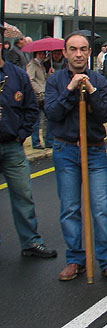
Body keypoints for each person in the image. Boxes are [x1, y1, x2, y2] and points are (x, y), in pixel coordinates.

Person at [45, 32, 107, 283]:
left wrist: (90, 90)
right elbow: (53, 113)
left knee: (101, 209)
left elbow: (105, 114)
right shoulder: (55, 80)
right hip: (65, 150)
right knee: (70, 209)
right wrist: (70, 90)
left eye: (83, 49)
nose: (78, 54)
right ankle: (75, 259)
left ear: (89, 52)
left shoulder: (99, 80)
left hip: (95, 150)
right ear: (65, 52)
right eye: (73, 49)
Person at [0, 30, 57, 259]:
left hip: (13, 146)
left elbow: (31, 108)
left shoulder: (15, 74)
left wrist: (21, 134)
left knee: (23, 195)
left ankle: (31, 242)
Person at [26, 50, 48, 149]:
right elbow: (30, 79)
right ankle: (36, 142)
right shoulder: (32, 64)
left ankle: (47, 140)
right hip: (37, 95)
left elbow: (43, 79)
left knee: (47, 119)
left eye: (44, 54)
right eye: (40, 54)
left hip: (43, 94)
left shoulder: (41, 65)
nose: (43, 56)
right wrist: (39, 90)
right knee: (37, 120)